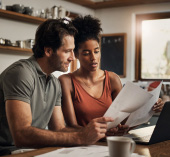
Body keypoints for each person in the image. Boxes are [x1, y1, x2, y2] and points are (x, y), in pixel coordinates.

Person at [0, 18, 113, 155]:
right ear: (48, 51)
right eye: (67, 51)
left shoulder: (54, 82)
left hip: (33, 151)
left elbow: (59, 128)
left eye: (73, 51)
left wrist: (96, 132)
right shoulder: (21, 73)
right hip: (7, 151)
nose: (72, 57)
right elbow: (21, 135)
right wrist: (80, 137)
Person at [59, 15, 164, 136]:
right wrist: (102, 133)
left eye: (97, 51)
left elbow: (124, 121)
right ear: (76, 54)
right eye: (86, 53)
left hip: (111, 144)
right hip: (84, 146)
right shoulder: (66, 81)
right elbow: (71, 126)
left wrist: (150, 108)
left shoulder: (112, 79)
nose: (94, 58)